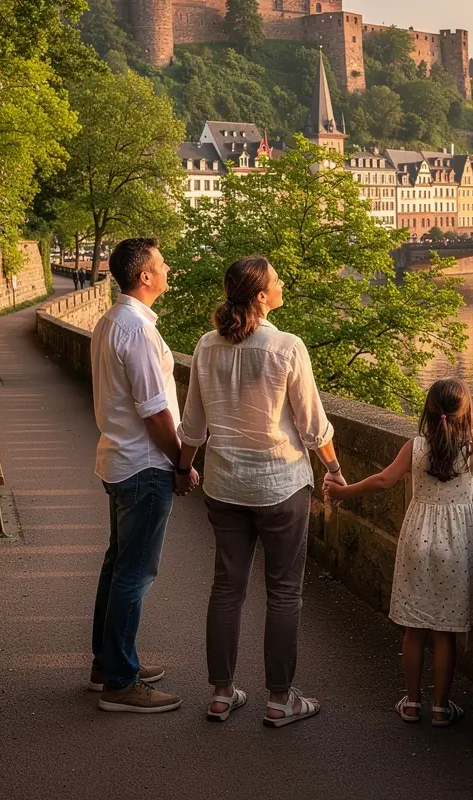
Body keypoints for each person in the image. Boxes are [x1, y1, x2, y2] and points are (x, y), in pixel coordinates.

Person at [178, 255, 342, 728]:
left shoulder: (206, 347)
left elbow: (193, 426)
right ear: (260, 296)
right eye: (276, 280)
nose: (282, 283)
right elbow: (313, 426)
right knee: (284, 593)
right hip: (280, 483)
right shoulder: (287, 347)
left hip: (225, 484)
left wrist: (182, 470)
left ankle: (221, 692)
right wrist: (333, 469)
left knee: (226, 589)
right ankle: (279, 698)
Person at [324, 377, 473, 725]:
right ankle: (440, 708)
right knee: (446, 631)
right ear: (466, 412)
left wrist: (343, 493)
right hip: (456, 544)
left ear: (429, 411)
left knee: (414, 628)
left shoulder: (415, 447)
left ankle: (413, 703)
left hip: (417, 537)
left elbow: (383, 481)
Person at [88, 237, 198, 714]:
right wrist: (182, 462)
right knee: (134, 573)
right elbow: (155, 412)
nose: (169, 267)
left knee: (118, 568)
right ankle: (120, 682)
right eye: (161, 263)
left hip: (119, 459)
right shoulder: (136, 330)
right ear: (145, 277)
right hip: (144, 466)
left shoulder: (112, 321)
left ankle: (108, 664)